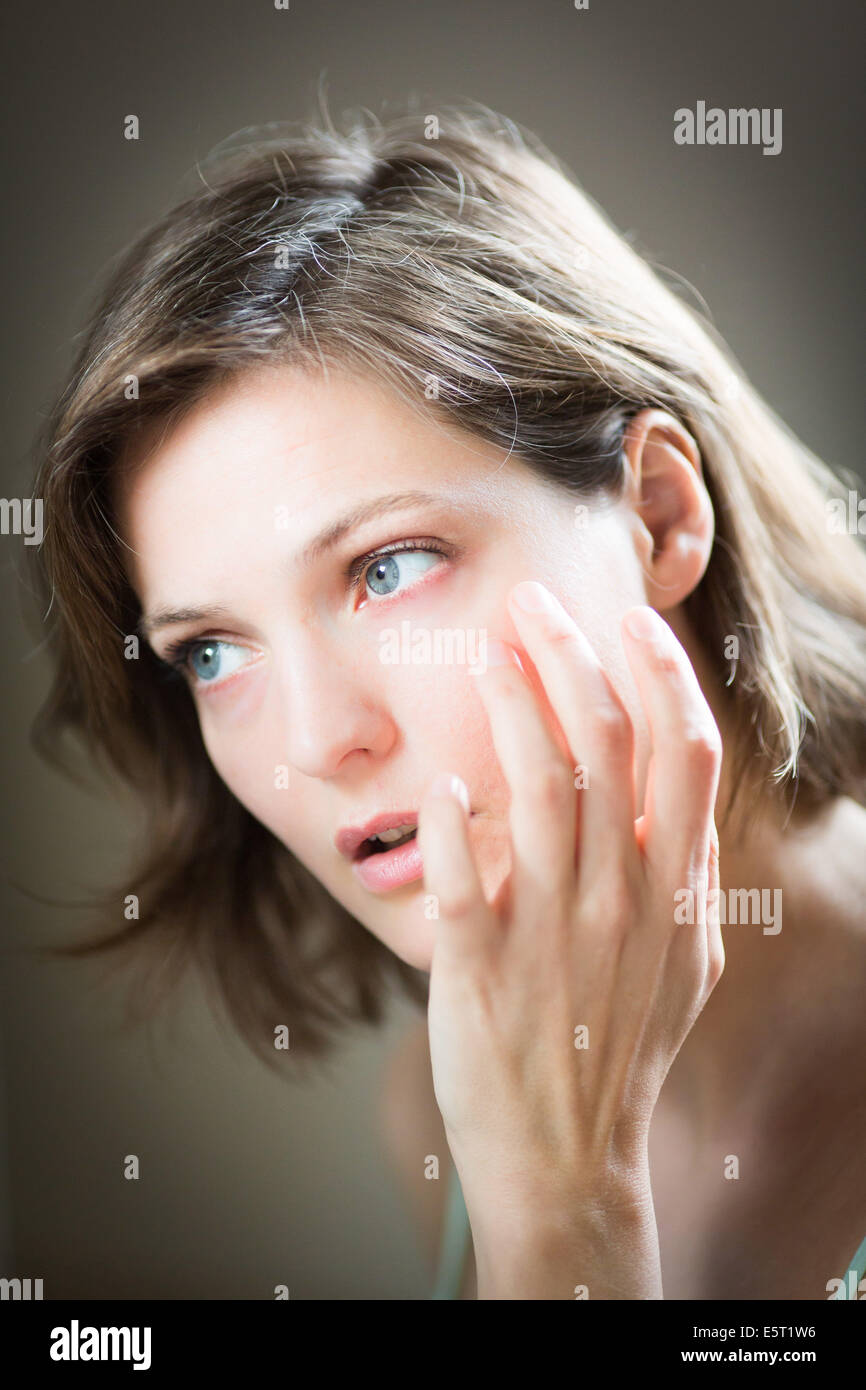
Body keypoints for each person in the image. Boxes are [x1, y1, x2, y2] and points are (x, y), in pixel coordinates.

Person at [26, 101, 866, 1299]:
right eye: (210, 651)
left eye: (387, 567)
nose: (317, 741)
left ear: (660, 517)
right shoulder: (437, 1111)